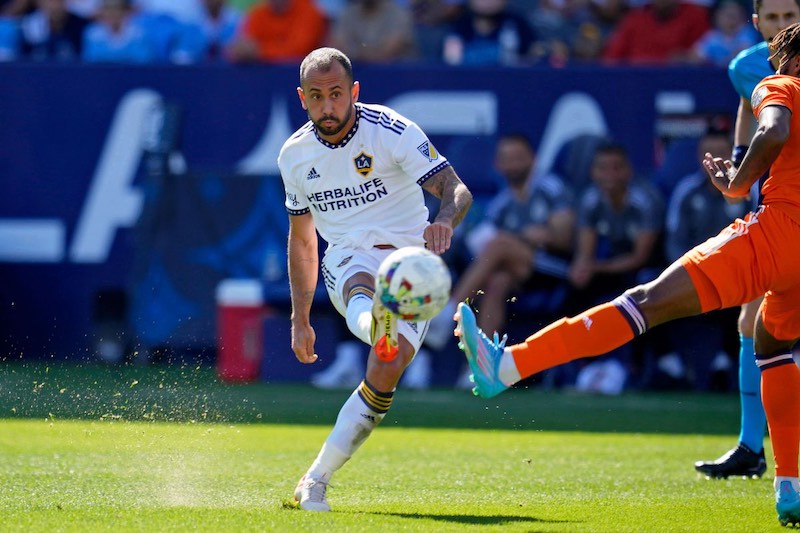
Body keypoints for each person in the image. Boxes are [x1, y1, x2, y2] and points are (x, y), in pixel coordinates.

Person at [453, 21, 800, 527]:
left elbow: (774, 129)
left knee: (647, 303)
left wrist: (737, 182)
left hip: (779, 234)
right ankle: (789, 487)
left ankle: (507, 367)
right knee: (772, 344)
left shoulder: (785, 82)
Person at [279, 47, 472, 511]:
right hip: (346, 257)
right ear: (302, 98)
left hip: (411, 262)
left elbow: (455, 188)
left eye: (337, 95)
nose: (328, 107)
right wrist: (299, 318)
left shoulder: (392, 130)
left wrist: (445, 219)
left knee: (385, 370)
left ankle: (315, 477)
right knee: (360, 281)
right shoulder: (295, 156)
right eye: (318, 97)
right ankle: (376, 323)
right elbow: (304, 242)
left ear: (354, 92)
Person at [694, 0, 800, 480]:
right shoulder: (748, 67)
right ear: (757, 23)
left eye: (790, 15)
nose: (783, 25)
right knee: (751, 319)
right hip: (778, 212)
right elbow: (748, 112)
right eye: (773, 18)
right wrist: (739, 167)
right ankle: (750, 445)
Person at [660, 125, 749, 392]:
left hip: (740, 278)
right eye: (708, 153)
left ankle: (732, 365)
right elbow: (674, 244)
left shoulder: (746, 192)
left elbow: (752, 240)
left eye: (722, 152)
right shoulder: (686, 192)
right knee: (660, 289)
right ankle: (676, 364)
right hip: (694, 272)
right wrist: (699, 272)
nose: (714, 160)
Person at [601, 0, 711, 64]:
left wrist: (687, 58)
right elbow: (611, 59)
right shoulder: (634, 19)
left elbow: (706, 56)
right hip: (634, 83)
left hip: (678, 86)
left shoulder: (695, 17)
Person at [226, 0, 326, 63]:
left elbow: (299, 51)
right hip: (262, 79)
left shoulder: (309, 12)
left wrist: (260, 52)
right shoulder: (257, 14)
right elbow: (245, 48)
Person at [328, 0, 417, 63]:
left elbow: (388, 51)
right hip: (355, 70)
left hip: (395, 74)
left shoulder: (398, 14)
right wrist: (360, 54)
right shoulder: (347, 13)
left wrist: (359, 54)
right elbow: (338, 45)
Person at [19, 0, 91, 61]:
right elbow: (26, 55)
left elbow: (84, 56)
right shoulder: (30, 23)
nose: (55, 6)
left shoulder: (80, 24)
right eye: (50, 1)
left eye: (58, 1)